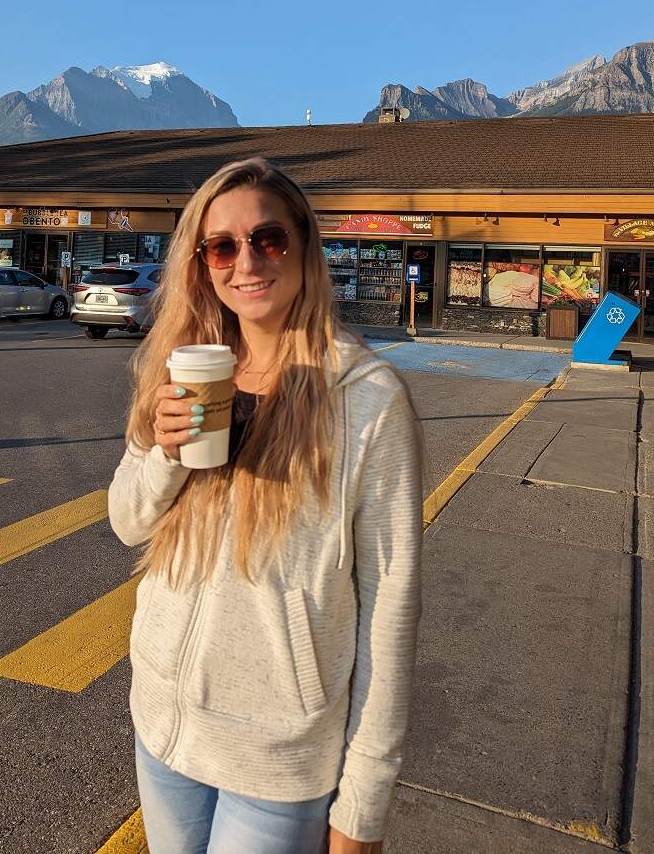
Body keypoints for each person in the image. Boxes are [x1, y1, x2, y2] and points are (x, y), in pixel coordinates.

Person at [108, 158, 423, 854]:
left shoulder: (368, 399)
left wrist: (362, 806)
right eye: (220, 245)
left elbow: (389, 603)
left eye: (268, 238)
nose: (244, 261)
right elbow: (128, 521)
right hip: (161, 726)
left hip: (276, 758)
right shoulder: (181, 366)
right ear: (200, 263)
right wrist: (162, 450)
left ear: (306, 247)